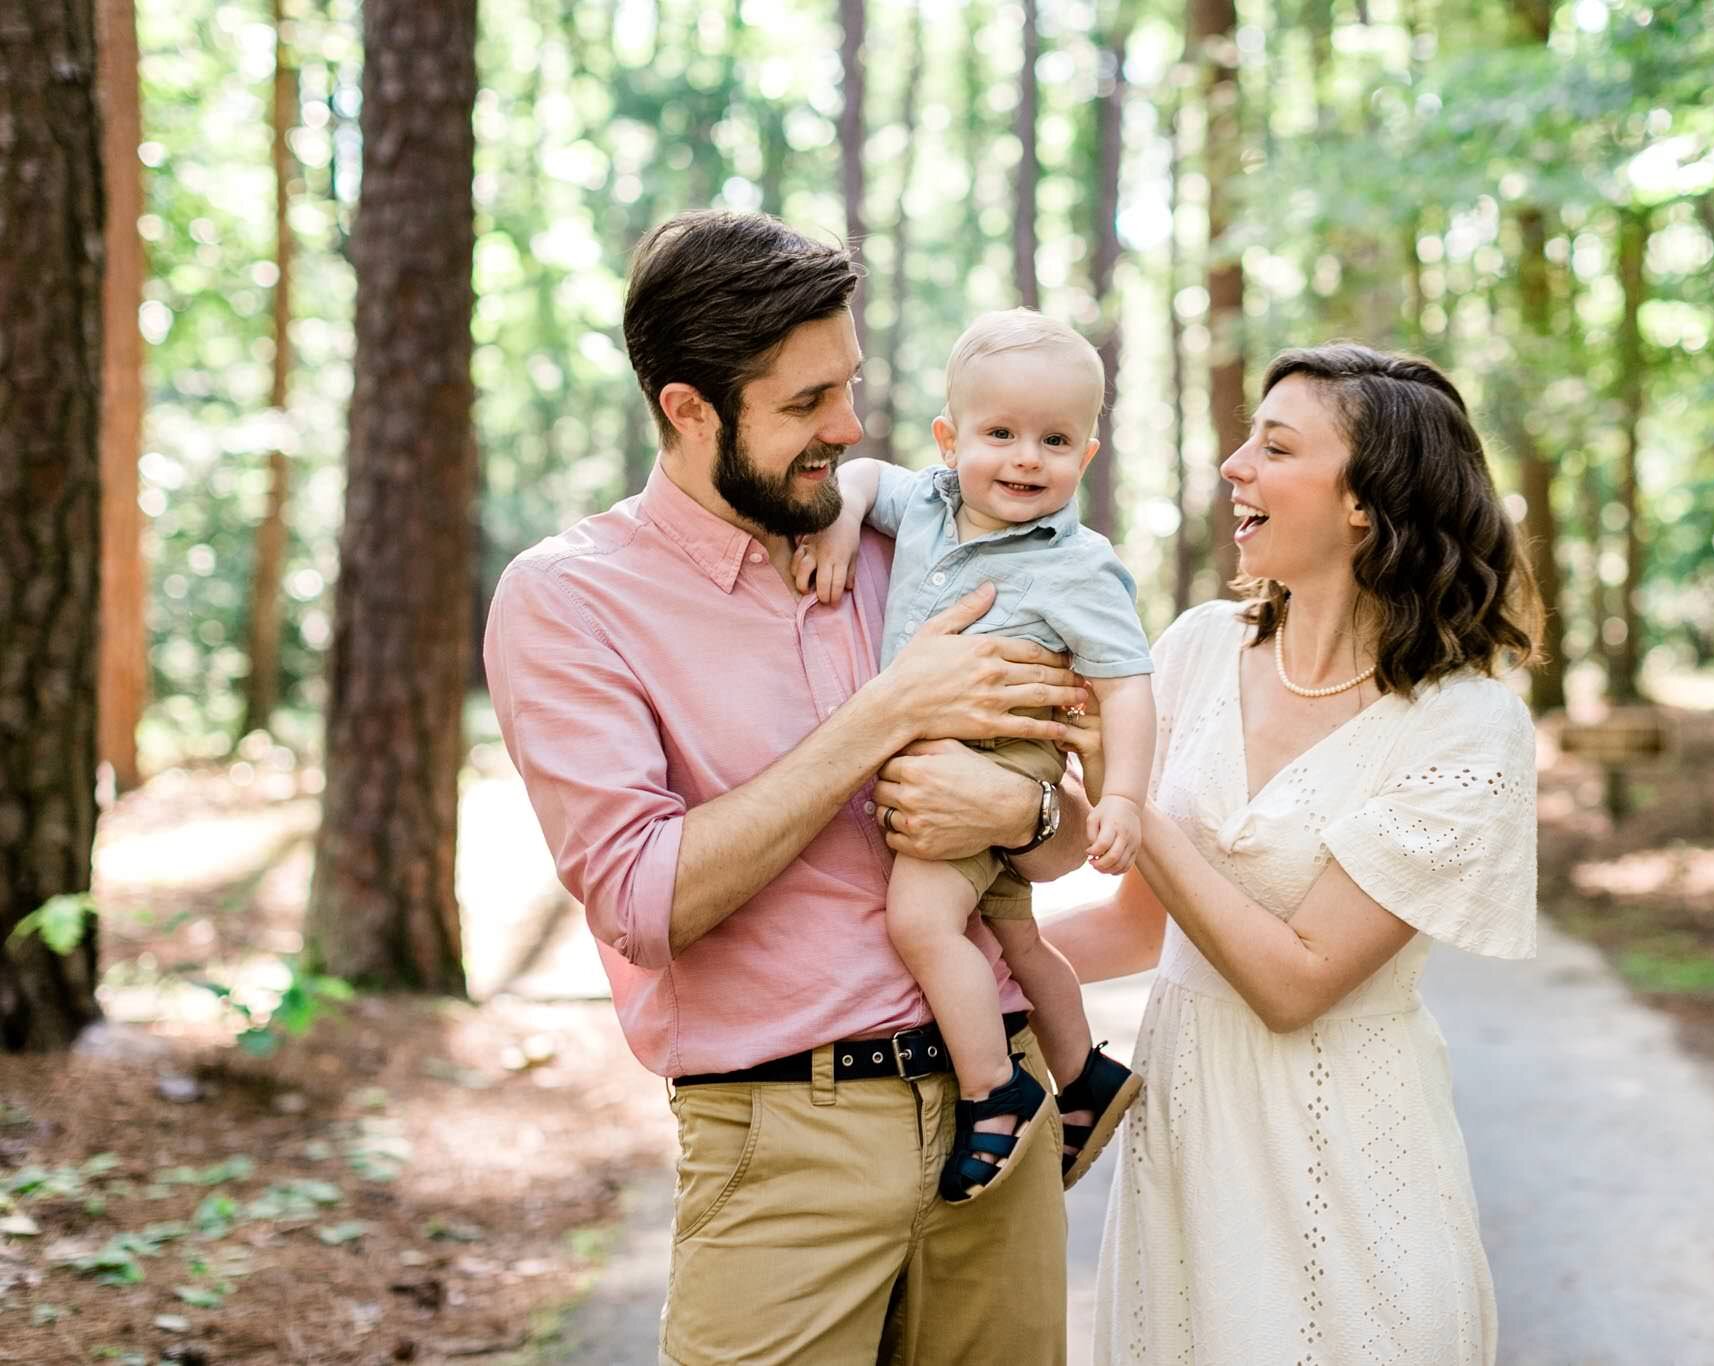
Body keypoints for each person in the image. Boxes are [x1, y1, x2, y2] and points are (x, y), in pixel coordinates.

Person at [482, 210, 1092, 1365]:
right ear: (688, 408)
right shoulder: (569, 600)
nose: (848, 426)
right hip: (780, 1146)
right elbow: (643, 902)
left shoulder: (919, 545)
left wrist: (1027, 814)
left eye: (849, 386)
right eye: (807, 402)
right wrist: (885, 714)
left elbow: (1062, 841)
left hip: (996, 1113)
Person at [1046, 343, 1542, 1365]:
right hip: (1183, 1147)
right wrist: (949, 966)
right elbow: (1140, 924)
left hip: (1349, 1167)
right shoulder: (1192, 648)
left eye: (1273, 446)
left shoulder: (1465, 726)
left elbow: (1296, 981)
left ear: (1364, 500)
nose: (1233, 465)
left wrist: (1132, 800)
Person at [798, 309, 1150, 1205]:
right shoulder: (924, 501)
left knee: (920, 922)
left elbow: (1126, 686)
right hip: (941, 754)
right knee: (1014, 937)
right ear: (950, 439)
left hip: (999, 758)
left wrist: (1125, 799)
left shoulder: (1082, 566)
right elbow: (865, 472)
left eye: (1055, 439)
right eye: (1000, 434)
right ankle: (1085, 1075)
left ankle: (996, 1090)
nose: (1027, 458)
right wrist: (842, 522)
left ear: (1087, 456)